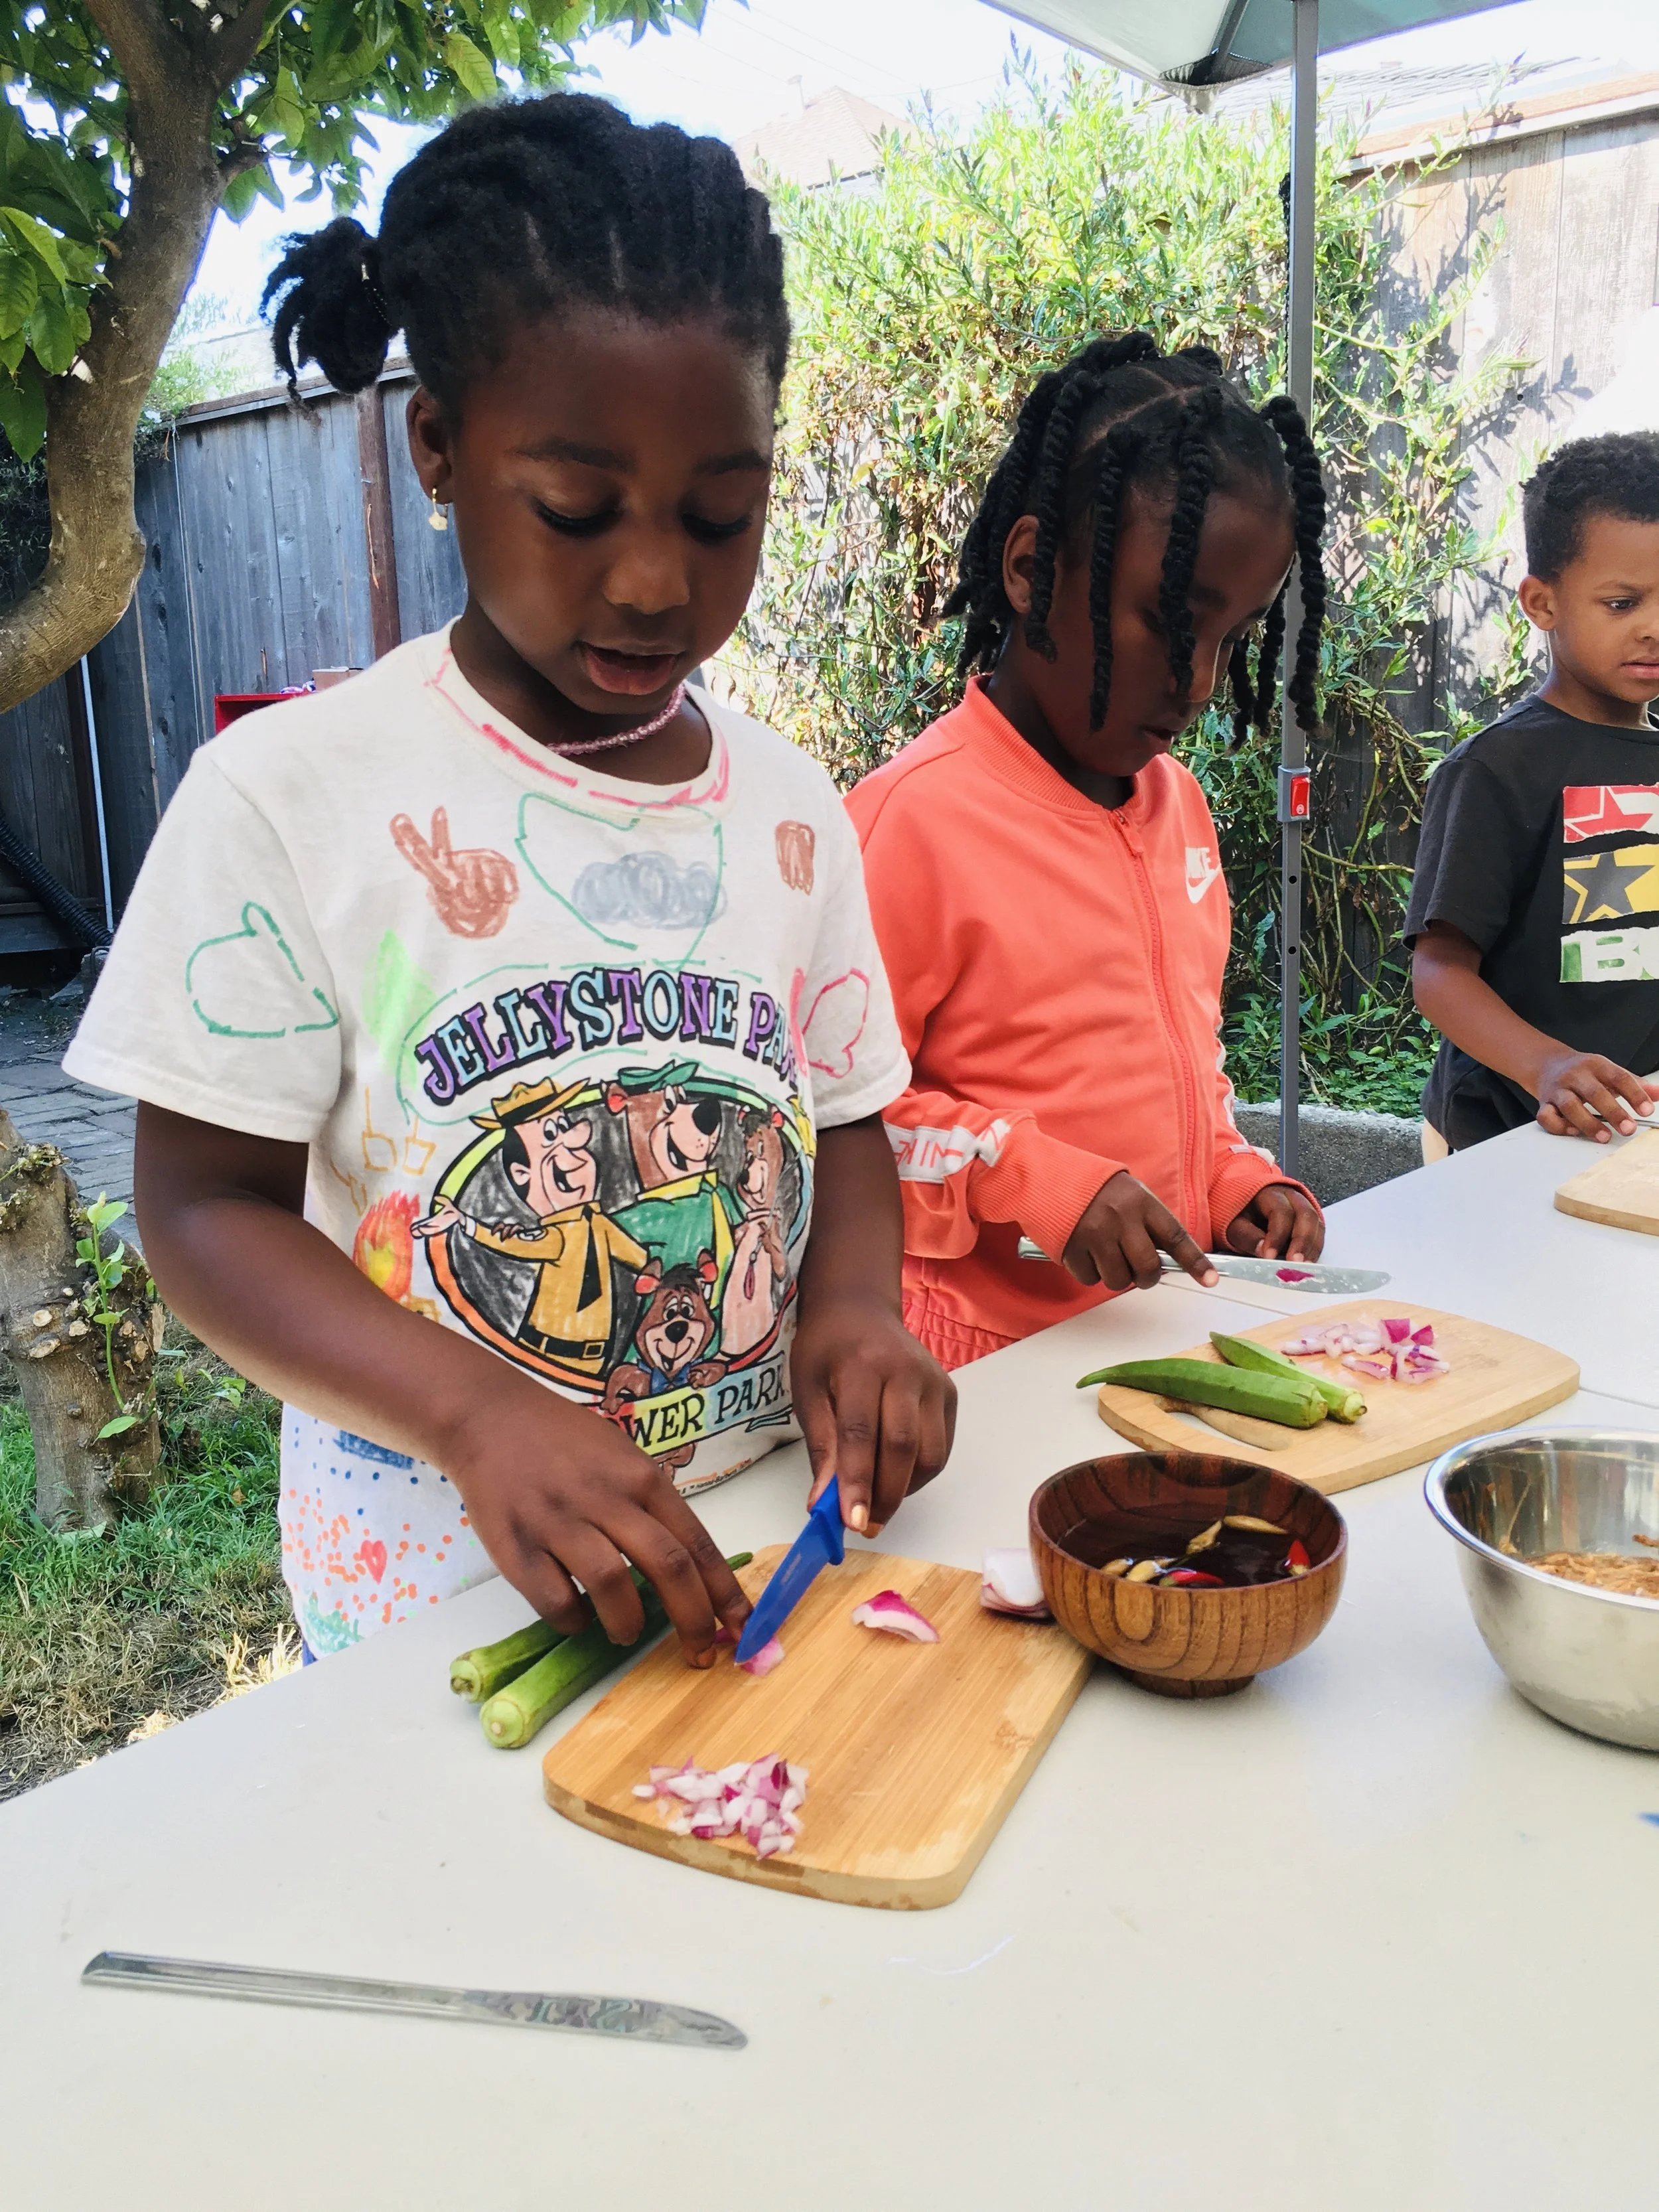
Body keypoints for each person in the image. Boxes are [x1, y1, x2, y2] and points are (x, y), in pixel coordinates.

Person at [64, 95, 953, 1664]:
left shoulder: (793, 813)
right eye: (576, 508)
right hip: (435, 1588)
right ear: (439, 450)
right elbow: (203, 1214)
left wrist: (858, 1312)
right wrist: (478, 1418)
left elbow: (849, 1119)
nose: (656, 578)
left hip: (756, 1540)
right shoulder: (294, 798)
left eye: (720, 515)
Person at [845, 333, 1327, 1369]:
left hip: (1169, 1348)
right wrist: (1027, 1174)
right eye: (1168, 621)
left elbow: (1186, 1066)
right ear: (1028, 569)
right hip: (984, 1372)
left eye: (1233, 641)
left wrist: (1239, 1182)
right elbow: (830, 1127)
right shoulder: (907, 827)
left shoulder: (1181, 810)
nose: (1199, 680)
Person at [1408, 432, 1659, 1153]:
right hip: (1506, 1133)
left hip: (1628, 1133)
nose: (1652, 627)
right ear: (1542, 603)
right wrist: (1545, 1065)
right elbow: (1439, 971)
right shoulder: (1496, 769)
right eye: (1621, 603)